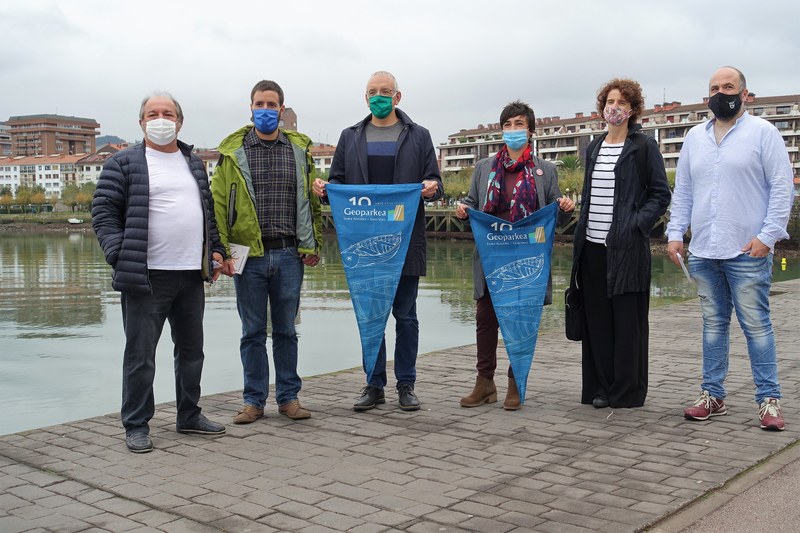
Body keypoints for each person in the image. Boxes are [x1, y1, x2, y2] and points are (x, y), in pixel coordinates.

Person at [92, 92, 227, 453]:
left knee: (191, 351)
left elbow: (207, 214)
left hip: (190, 274)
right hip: (145, 275)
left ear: (180, 122)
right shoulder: (123, 163)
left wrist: (216, 249)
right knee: (140, 355)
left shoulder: (193, 162)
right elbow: (103, 212)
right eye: (153, 113)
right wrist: (119, 254)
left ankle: (189, 415)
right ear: (141, 122)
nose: (161, 119)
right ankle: (136, 424)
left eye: (168, 113)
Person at [667, 67, 793, 431]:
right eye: (714, 88)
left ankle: (768, 400)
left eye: (728, 86)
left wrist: (767, 237)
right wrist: (676, 233)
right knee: (713, 326)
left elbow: (782, 188)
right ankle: (712, 395)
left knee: (756, 326)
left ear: (745, 93)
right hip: (704, 249)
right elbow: (685, 190)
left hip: (747, 250)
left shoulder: (764, 134)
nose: (721, 92)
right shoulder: (694, 137)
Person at [312, 71, 443, 412]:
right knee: (370, 317)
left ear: (398, 97)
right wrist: (324, 190)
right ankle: (373, 384)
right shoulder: (350, 136)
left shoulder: (419, 136)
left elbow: (436, 183)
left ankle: (406, 384)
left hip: (406, 242)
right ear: (365, 97)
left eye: (385, 91)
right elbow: (337, 186)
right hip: (366, 246)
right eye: (373, 92)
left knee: (406, 316)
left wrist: (430, 186)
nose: (379, 96)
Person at [211, 80, 322, 424]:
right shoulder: (233, 153)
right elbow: (217, 204)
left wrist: (312, 243)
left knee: (287, 330)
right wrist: (221, 251)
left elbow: (310, 203)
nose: (265, 110)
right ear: (251, 108)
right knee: (252, 332)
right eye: (260, 104)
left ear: (282, 109)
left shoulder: (299, 151)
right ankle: (253, 401)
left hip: (289, 253)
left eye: (272, 105)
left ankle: (288, 398)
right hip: (249, 256)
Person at [455, 100, 575, 410]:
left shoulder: (545, 170)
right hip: (491, 256)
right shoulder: (483, 168)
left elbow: (552, 215)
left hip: (526, 258)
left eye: (518, 124)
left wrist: (564, 210)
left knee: (521, 320)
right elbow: (471, 203)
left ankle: (515, 382)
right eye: (507, 125)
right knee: (485, 318)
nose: (512, 131)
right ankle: (484, 383)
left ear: (531, 131)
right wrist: (463, 211)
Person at [572, 79, 671, 409]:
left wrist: (635, 224)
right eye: (609, 101)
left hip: (627, 250)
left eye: (620, 102)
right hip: (592, 247)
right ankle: (600, 387)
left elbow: (660, 194)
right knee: (597, 320)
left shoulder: (643, 146)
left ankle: (626, 391)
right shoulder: (594, 147)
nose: (613, 107)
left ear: (632, 110)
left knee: (627, 322)